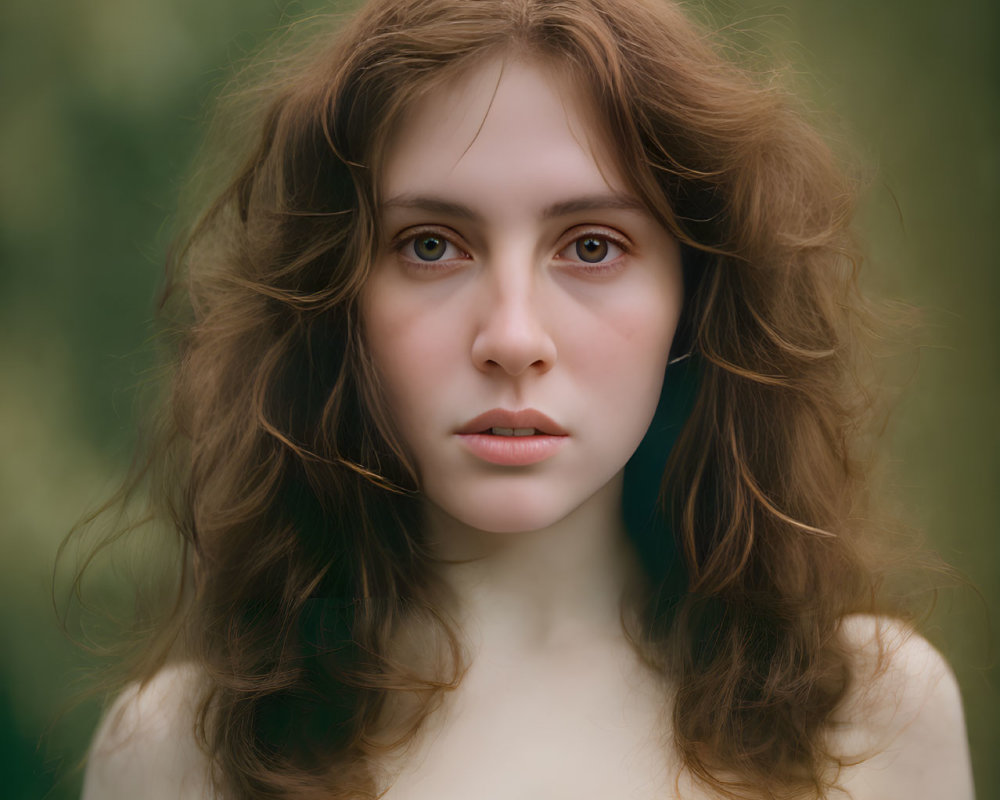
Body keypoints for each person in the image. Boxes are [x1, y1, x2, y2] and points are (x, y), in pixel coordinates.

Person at [77, 0, 975, 798]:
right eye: (431, 246)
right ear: (338, 300)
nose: (511, 337)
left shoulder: (874, 719)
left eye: (591, 247)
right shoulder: (177, 753)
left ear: (695, 299)